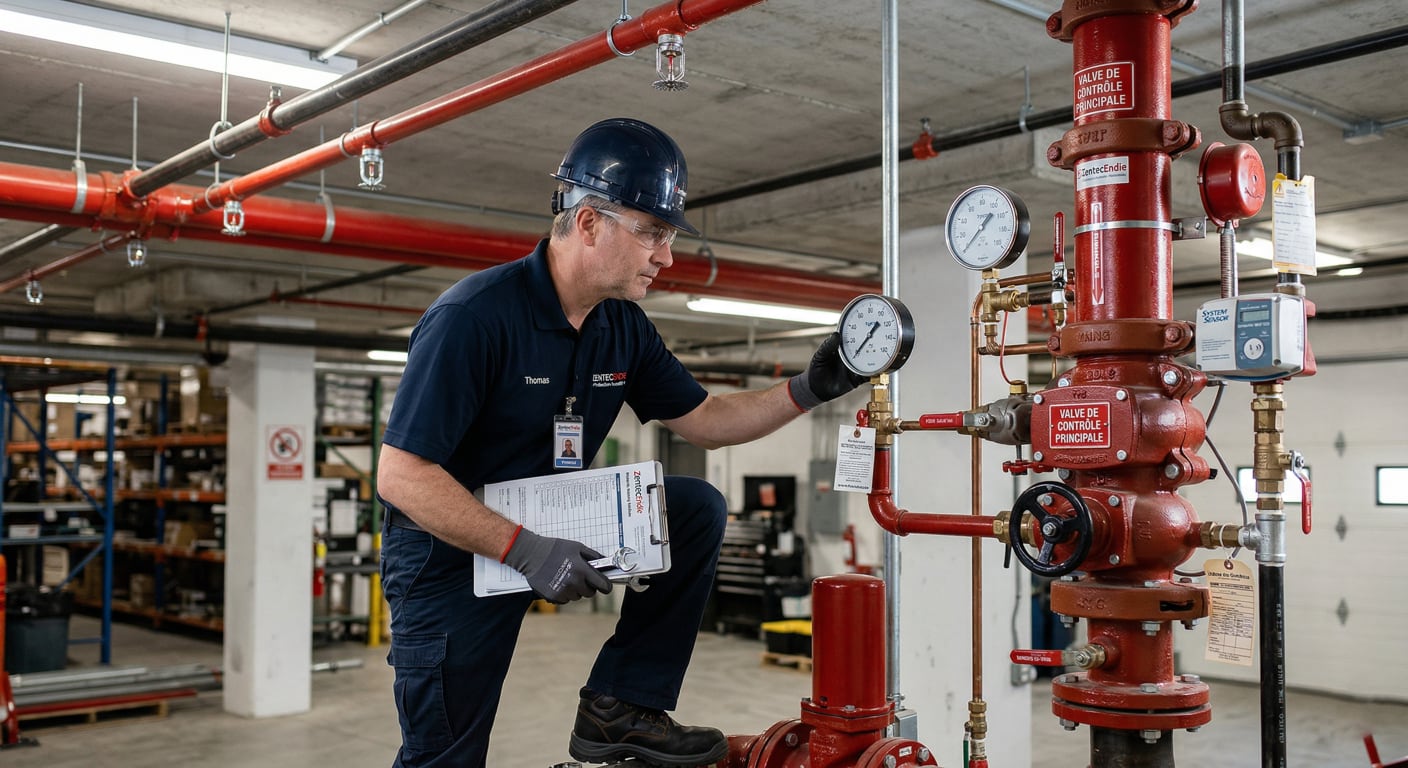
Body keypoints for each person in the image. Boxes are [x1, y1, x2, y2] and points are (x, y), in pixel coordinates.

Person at [376, 117, 866, 768]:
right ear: (588, 224)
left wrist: (810, 388)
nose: (665, 255)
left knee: (694, 510)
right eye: (652, 233)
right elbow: (402, 476)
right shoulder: (475, 318)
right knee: (445, 758)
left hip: (556, 523)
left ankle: (620, 707)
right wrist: (522, 549)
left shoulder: (622, 329)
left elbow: (707, 419)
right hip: (452, 558)